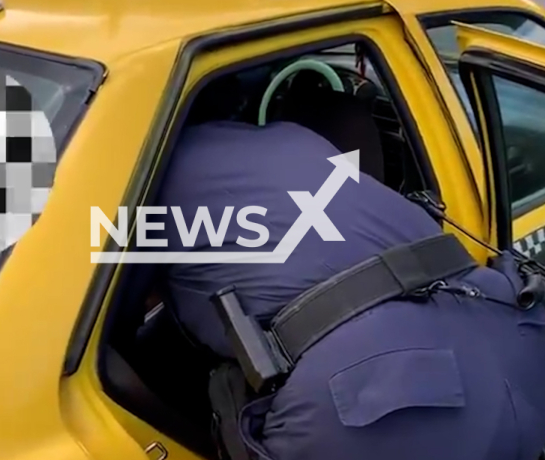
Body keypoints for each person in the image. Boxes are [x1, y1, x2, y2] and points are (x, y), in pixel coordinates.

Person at [153, 119, 545, 460]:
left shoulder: (139, 178)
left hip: (365, 400)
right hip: (512, 338)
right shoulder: (293, 138)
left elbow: (107, 312)